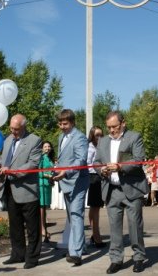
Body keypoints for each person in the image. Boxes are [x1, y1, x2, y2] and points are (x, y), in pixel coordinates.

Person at [94, 111, 148, 274]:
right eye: (109, 127)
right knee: (114, 228)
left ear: (123, 123)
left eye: (114, 126)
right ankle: (116, 259)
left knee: (135, 226)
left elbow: (138, 159)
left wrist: (119, 166)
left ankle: (138, 257)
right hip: (111, 190)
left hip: (132, 188)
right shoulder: (102, 141)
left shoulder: (134, 137)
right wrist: (101, 170)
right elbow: (96, 161)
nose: (111, 130)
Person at [0, 114, 42, 269]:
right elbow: (3, 159)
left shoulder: (34, 140)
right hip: (9, 189)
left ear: (24, 126)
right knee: (15, 226)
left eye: (16, 129)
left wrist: (11, 170)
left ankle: (32, 258)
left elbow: (33, 164)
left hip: (27, 190)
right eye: (11, 128)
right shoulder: (7, 140)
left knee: (32, 227)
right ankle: (17, 254)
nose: (13, 132)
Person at [51, 109, 89, 266]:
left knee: (76, 215)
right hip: (65, 182)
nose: (62, 126)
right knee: (72, 217)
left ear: (72, 122)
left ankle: (76, 253)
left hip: (77, 182)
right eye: (60, 123)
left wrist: (65, 171)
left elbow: (81, 160)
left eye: (65, 123)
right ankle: (82, 246)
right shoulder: (61, 137)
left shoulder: (80, 138)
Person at [86, 126, 106, 248]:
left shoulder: (101, 146)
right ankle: (96, 235)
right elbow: (88, 164)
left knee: (95, 207)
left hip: (99, 177)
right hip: (94, 177)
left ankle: (95, 234)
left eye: (101, 135)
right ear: (92, 136)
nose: (99, 137)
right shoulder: (90, 147)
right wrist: (101, 169)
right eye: (97, 135)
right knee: (95, 207)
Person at [39, 141, 55, 243]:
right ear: (41, 148)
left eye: (49, 146)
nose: (47, 148)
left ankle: (43, 228)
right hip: (42, 184)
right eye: (45, 146)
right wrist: (48, 175)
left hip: (48, 184)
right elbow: (38, 172)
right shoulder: (40, 158)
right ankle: (42, 229)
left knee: (44, 208)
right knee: (41, 208)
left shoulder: (49, 158)